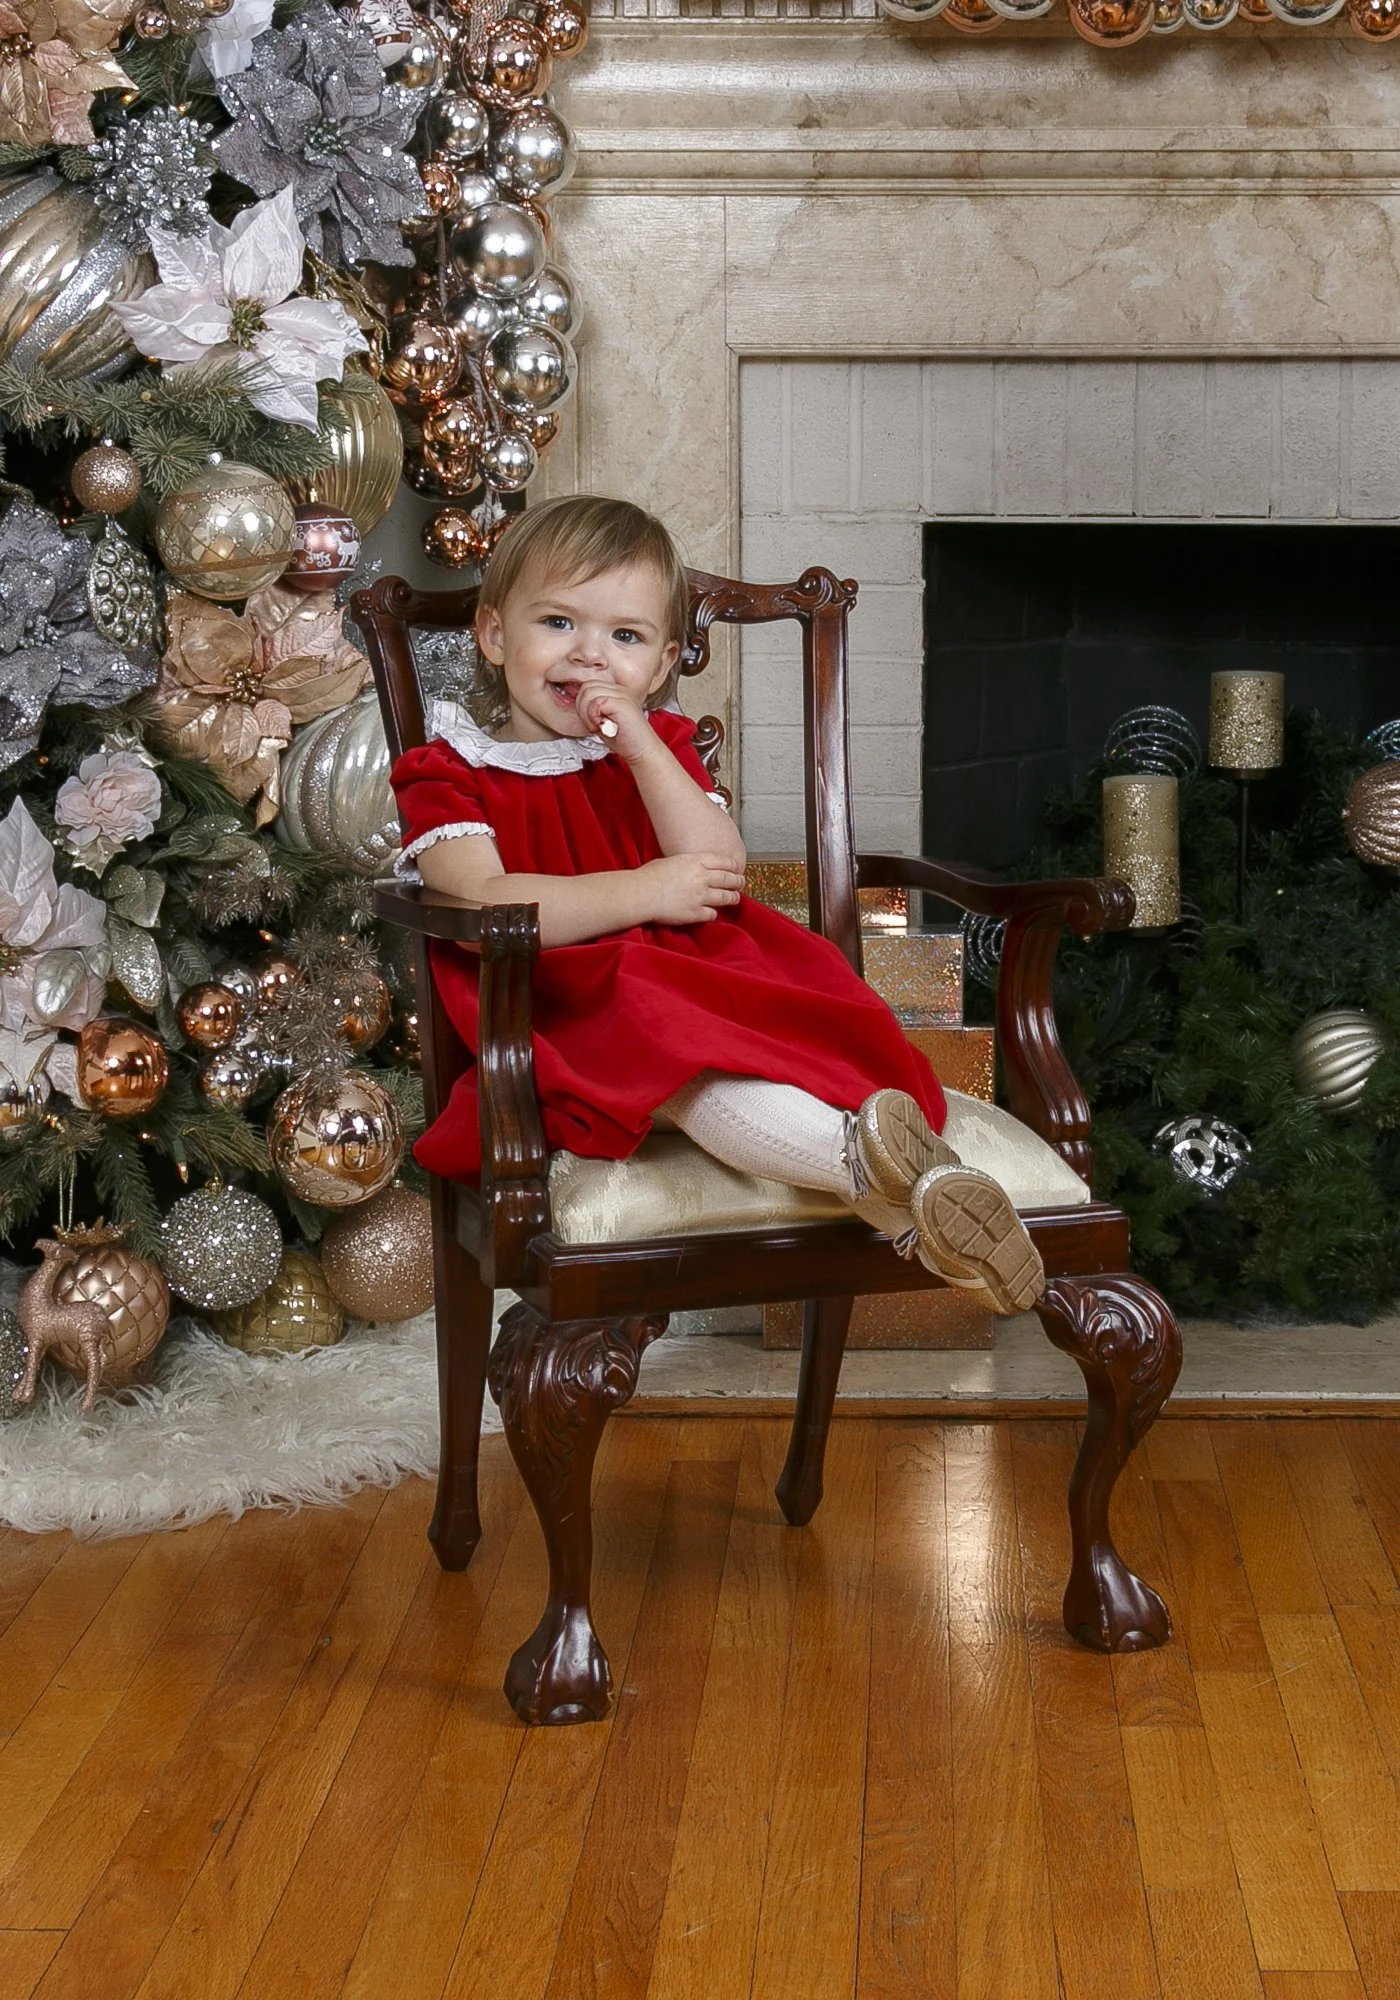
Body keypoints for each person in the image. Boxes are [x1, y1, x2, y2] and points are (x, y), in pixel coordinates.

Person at [390, 495, 1044, 1314]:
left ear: (662, 664)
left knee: (747, 1046)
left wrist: (634, 742)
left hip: (696, 981)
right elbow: (486, 900)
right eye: (558, 623)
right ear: (494, 635)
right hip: (560, 1008)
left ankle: (905, 1196)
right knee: (681, 1061)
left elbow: (718, 864)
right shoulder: (447, 770)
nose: (590, 658)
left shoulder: (655, 749)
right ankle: (881, 1168)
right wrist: (645, 890)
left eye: (624, 638)